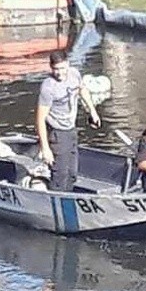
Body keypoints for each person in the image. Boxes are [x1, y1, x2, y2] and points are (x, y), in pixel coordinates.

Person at [36, 50, 101, 192]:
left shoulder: (74, 74)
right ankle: (55, 202)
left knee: (72, 174)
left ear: (68, 64)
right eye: (56, 69)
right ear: (51, 68)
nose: (59, 73)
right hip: (57, 134)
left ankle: (69, 199)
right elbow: (40, 119)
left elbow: (82, 90)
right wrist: (45, 148)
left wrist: (92, 111)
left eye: (62, 68)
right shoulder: (48, 87)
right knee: (60, 175)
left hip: (71, 130)